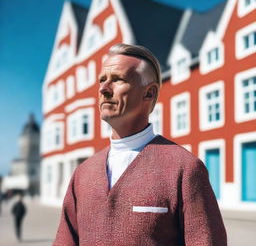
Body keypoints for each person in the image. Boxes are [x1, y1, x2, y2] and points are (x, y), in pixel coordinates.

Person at [53, 43, 227, 246]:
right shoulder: (82, 173)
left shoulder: (184, 168)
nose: (103, 89)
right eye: (102, 80)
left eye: (117, 79)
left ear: (149, 93)